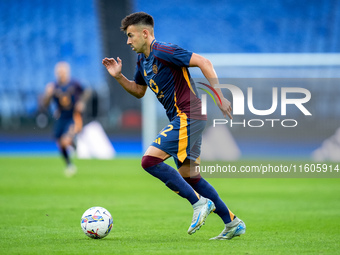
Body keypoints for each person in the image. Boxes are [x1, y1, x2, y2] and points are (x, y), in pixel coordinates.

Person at [102, 12, 245, 240]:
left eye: (130, 36)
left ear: (145, 33)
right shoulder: (143, 60)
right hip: (185, 118)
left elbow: (203, 62)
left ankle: (199, 203)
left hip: (190, 115)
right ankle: (232, 222)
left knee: (149, 161)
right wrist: (119, 77)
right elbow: (139, 91)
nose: (128, 42)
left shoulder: (164, 50)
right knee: (190, 176)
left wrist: (219, 95)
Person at [42, 61, 90, 177]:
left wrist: (81, 103)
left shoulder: (74, 84)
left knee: (65, 141)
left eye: (62, 71)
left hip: (73, 116)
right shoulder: (53, 87)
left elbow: (87, 91)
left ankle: (73, 141)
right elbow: (45, 104)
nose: (60, 74)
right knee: (60, 144)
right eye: (58, 72)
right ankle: (69, 164)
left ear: (67, 72)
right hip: (61, 117)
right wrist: (47, 95)